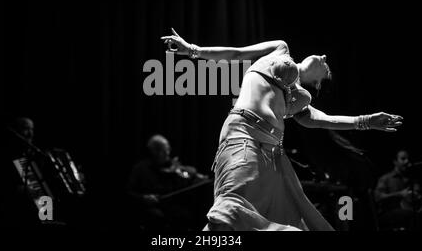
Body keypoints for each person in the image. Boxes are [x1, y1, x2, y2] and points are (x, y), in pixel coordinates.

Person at [161, 28, 403, 231]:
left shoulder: (301, 101)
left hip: (273, 157)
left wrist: (367, 121)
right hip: (243, 136)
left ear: (318, 82)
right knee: (229, 214)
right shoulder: (280, 49)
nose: (324, 56)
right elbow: (236, 54)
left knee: (279, 219)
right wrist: (192, 49)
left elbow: (326, 120)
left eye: (326, 67)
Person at [127, 134, 209, 230]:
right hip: (153, 209)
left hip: (172, 207)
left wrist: (196, 176)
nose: (167, 153)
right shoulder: (140, 169)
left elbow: (190, 173)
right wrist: (144, 198)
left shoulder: (172, 167)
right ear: (154, 151)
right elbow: (129, 192)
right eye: (163, 150)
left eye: (168, 149)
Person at [375, 149, 421, 230]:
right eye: (403, 159)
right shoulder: (386, 178)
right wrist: (399, 194)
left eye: (408, 159)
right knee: (412, 215)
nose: (407, 161)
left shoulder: (411, 178)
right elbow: (378, 197)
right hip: (388, 213)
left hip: (408, 210)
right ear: (395, 161)